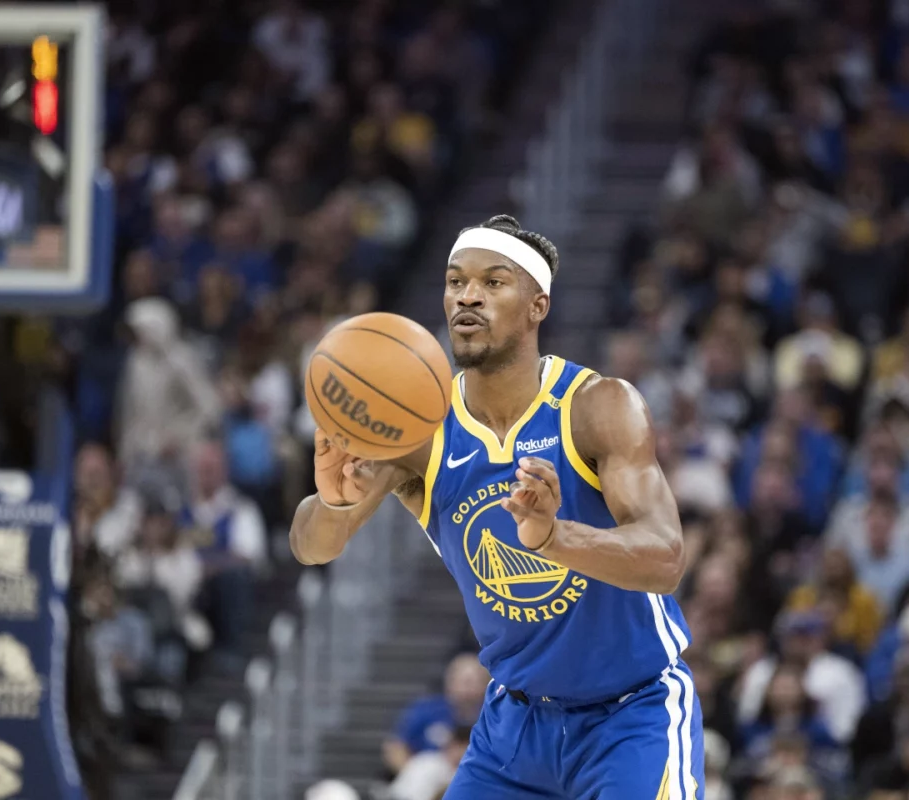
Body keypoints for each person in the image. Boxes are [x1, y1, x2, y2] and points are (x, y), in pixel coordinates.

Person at [290, 215, 702, 797]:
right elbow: (313, 546)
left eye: (492, 282)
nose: (468, 296)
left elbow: (665, 559)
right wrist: (333, 501)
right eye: (456, 281)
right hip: (514, 727)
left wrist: (551, 537)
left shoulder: (597, 406)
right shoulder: (419, 431)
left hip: (631, 715)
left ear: (538, 305)